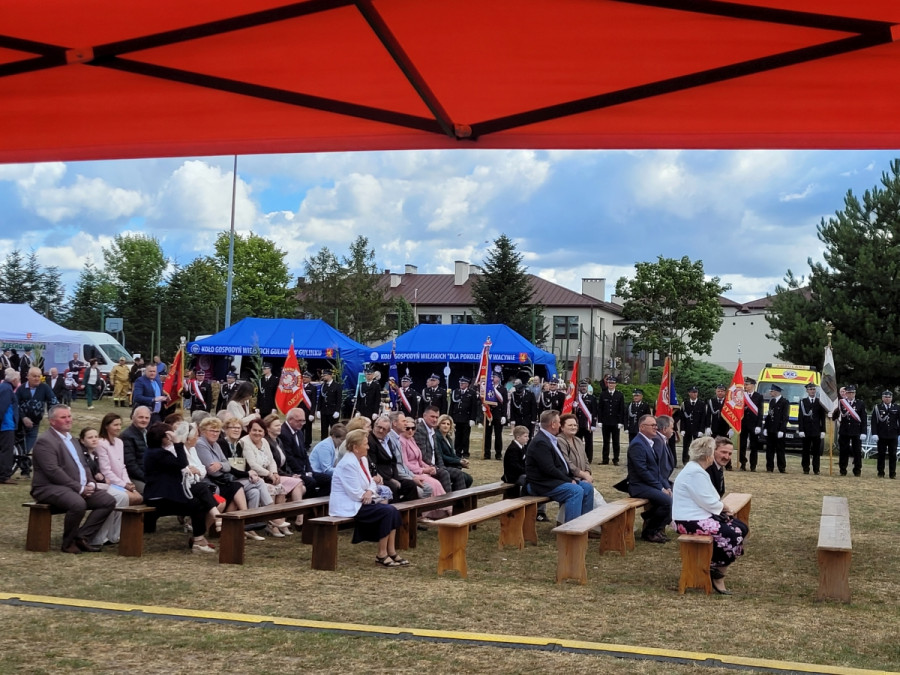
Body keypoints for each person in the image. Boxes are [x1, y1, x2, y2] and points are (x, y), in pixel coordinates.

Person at [30, 405, 116, 553]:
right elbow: (53, 471)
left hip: (74, 487)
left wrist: (90, 482)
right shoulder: (45, 441)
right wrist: (79, 488)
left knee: (107, 501)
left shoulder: (73, 440)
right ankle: (68, 543)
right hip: (48, 488)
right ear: (52, 421)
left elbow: (84, 465)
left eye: (69, 416)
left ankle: (82, 537)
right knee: (77, 503)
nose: (68, 420)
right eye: (63, 417)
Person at [673, 436, 749, 594]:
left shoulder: (697, 470)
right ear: (708, 455)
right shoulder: (695, 472)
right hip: (688, 520)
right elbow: (708, 500)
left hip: (698, 516)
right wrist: (724, 507)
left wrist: (722, 508)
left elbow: (711, 497)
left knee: (741, 527)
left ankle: (714, 566)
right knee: (732, 534)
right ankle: (717, 572)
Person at [329, 428, 409, 567]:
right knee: (387, 511)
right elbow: (355, 493)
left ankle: (391, 551)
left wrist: (369, 491)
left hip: (364, 500)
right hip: (349, 504)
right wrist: (367, 493)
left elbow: (371, 481)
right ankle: (381, 555)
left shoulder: (363, 459)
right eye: (365, 444)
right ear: (355, 447)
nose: (368, 447)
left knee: (393, 510)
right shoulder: (348, 463)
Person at [142, 422, 216, 553]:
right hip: (159, 498)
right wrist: (177, 443)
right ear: (165, 437)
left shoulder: (157, 452)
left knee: (200, 491)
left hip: (166, 494)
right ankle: (201, 538)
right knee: (198, 503)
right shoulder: (157, 453)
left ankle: (203, 534)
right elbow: (182, 463)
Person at [524, 410, 594, 523]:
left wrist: (575, 478)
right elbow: (549, 469)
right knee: (575, 491)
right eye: (559, 422)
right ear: (553, 424)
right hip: (541, 484)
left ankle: (584, 525)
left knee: (587, 487)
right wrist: (569, 480)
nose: (560, 425)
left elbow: (561, 464)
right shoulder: (540, 442)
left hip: (554, 481)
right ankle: (571, 529)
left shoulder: (551, 439)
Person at [239, 418, 298, 536]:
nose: (257, 433)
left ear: (264, 432)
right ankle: (272, 523)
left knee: (281, 488)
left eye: (260, 431)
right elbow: (252, 464)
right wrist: (269, 474)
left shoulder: (264, 441)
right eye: (254, 430)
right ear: (249, 430)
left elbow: (271, 460)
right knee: (271, 489)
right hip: (252, 477)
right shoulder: (245, 442)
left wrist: (274, 473)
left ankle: (279, 521)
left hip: (265, 476)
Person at [78, 426, 131, 546]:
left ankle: (114, 534)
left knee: (123, 497)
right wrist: (99, 479)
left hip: (99, 485)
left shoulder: (94, 454)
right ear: (82, 441)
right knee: (113, 498)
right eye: (90, 437)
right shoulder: (82, 455)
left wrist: (101, 477)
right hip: (89, 487)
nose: (94, 439)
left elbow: (98, 473)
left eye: (96, 437)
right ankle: (99, 537)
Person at [625, 415, 672, 543]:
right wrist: (661, 488)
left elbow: (656, 471)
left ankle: (652, 523)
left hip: (649, 484)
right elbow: (642, 471)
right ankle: (650, 532)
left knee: (672, 497)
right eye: (652, 425)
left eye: (656, 425)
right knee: (667, 501)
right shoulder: (637, 444)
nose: (656, 427)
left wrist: (666, 486)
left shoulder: (648, 442)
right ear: (642, 427)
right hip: (639, 486)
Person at [277, 409, 331, 497]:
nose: (302, 423)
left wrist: (309, 470)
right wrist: (303, 473)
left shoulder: (299, 432)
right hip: (293, 472)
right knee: (311, 482)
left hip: (304, 470)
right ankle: (310, 504)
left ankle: (318, 502)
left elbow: (304, 454)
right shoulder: (283, 433)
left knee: (328, 479)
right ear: (290, 420)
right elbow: (289, 458)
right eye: (299, 421)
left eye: (303, 421)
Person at [413, 405, 465, 492]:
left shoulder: (432, 430)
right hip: (426, 466)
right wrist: (435, 467)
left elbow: (437, 453)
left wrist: (441, 466)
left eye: (436, 417)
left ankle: (460, 500)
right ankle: (447, 500)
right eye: (432, 417)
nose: (434, 420)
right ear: (424, 416)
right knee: (444, 474)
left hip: (436, 465)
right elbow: (422, 455)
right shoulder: (419, 430)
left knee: (458, 473)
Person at [368, 415, 419, 502]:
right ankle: (396, 509)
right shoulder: (371, 441)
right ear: (374, 426)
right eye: (379, 427)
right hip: (382, 478)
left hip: (393, 476)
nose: (380, 430)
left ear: (388, 431)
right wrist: (391, 480)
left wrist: (395, 478)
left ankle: (411, 510)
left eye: (384, 429)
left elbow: (393, 462)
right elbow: (374, 465)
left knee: (410, 485)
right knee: (393, 487)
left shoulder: (387, 440)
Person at [95, 413, 143, 505]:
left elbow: (122, 466)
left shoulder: (119, 442)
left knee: (139, 498)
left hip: (121, 481)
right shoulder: (101, 443)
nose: (119, 428)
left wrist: (128, 482)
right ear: (106, 426)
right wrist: (124, 485)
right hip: (110, 482)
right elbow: (106, 471)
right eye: (115, 425)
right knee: (133, 498)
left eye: (120, 425)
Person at [17, 366, 58, 472]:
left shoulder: (44, 388)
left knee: (28, 446)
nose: (37, 378)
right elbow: (15, 405)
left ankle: (23, 465)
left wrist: (53, 416)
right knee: (19, 445)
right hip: (20, 423)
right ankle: (22, 465)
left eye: (39, 376)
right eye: (34, 376)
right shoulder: (21, 389)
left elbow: (53, 402)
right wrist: (23, 417)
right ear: (28, 377)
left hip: (34, 423)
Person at [832, 384, 866, 477]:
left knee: (857, 451)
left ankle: (857, 470)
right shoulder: (841, 403)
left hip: (856, 430)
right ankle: (843, 469)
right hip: (844, 430)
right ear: (846, 394)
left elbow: (863, 418)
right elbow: (835, 416)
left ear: (855, 393)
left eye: (852, 393)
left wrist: (863, 432)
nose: (851, 394)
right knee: (844, 451)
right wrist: (833, 412)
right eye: (849, 393)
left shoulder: (860, 403)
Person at [435, 414, 473, 488]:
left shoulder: (448, 438)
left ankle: (455, 493)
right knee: (462, 476)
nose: (446, 426)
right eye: (443, 423)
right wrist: (458, 462)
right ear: (439, 424)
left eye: (448, 424)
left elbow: (452, 455)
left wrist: (461, 460)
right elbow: (441, 456)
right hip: (441, 466)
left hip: (450, 465)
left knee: (468, 479)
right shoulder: (437, 437)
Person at [120, 406, 151, 493]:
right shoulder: (127, 436)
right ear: (133, 418)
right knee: (151, 491)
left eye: (147, 418)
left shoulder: (147, 433)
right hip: (134, 477)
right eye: (140, 417)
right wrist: (147, 478)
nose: (144, 420)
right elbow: (131, 465)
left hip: (148, 474)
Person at [798, 382, 826, 475]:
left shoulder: (819, 402)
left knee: (816, 451)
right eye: (810, 389)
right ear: (807, 391)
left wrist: (823, 430)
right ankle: (805, 468)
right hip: (806, 430)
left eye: (814, 389)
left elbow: (822, 417)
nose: (812, 391)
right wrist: (801, 430)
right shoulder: (803, 402)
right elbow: (800, 417)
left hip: (816, 430)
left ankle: (816, 469)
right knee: (805, 450)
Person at [871, 390, 899, 479]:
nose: (887, 399)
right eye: (886, 397)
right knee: (881, 454)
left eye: (889, 397)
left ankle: (892, 473)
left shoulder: (897, 407)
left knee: (893, 455)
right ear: (882, 398)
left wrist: (898, 433)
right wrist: (874, 433)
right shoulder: (877, 407)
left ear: (892, 398)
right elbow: (874, 422)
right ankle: (880, 472)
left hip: (893, 435)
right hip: (881, 435)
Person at [598, 375, 626, 465]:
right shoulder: (603, 394)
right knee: (605, 442)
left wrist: (621, 421)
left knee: (616, 442)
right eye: (609, 383)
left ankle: (616, 459)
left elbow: (621, 409)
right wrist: (600, 420)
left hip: (615, 422)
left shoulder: (619, 395)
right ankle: (605, 459)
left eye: (613, 383)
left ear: (615, 384)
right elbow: (600, 408)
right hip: (605, 421)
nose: (611, 385)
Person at [763, 384, 789, 473]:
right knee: (769, 449)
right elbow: (769, 415)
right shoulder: (772, 401)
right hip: (771, 429)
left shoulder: (784, 402)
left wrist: (782, 430)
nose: (770, 393)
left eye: (772, 391)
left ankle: (781, 467)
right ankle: (769, 467)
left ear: (777, 392)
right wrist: (765, 427)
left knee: (780, 449)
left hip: (778, 429)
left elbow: (785, 417)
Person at [449, 376, 478, 458]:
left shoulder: (472, 393)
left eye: (463, 383)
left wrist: (472, 418)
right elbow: (452, 406)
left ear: (467, 384)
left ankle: (465, 452)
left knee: (465, 436)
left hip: (466, 418)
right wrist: (450, 417)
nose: (461, 384)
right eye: (460, 383)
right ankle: (457, 452)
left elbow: (474, 407)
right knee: (457, 436)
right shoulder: (455, 392)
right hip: (456, 417)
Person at [0, 369, 20, 485]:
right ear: (14, 380)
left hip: (5, 425)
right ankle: (4, 476)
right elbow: (2, 408)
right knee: (7, 451)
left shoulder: (4, 387)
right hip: (6, 425)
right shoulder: (7, 389)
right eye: (18, 380)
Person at [739, 378, 764, 472]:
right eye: (745, 384)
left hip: (754, 424)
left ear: (753, 385)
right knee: (742, 445)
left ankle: (753, 465)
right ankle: (743, 463)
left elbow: (760, 411)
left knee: (754, 446)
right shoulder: (741, 395)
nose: (745, 386)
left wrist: (759, 425)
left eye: (747, 384)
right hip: (743, 423)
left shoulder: (759, 396)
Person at [482, 372, 507, 460]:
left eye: (495, 377)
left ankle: (498, 454)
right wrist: (483, 406)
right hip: (488, 413)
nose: (493, 378)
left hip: (498, 414)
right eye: (492, 377)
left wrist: (504, 415)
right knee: (487, 435)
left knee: (498, 435)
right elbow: (483, 399)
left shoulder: (503, 389)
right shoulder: (487, 388)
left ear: (499, 379)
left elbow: (504, 403)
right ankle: (487, 453)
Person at [573, 379, 598, 464]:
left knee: (589, 443)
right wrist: (574, 407)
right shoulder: (576, 398)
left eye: (585, 386)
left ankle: (588, 459)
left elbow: (594, 412)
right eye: (582, 386)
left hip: (587, 424)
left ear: (587, 387)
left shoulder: (592, 398)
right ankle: (578, 458)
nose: (583, 388)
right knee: (577, 442)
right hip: (578, 424)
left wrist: (593, 424)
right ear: (579, 387)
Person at [502, 425, 530, 496]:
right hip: (512, 477)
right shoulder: (513, 449)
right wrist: (527, 471)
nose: (528, 438)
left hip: (519, 474)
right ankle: (524, 498)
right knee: (529, 480)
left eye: (528, 436)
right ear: (518, 437)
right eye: (525, 436)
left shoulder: (521, 447)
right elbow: (515, 466)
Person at [318, 368, 342, 439]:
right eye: (323, 375)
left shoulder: (337, 386)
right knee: (324, 430)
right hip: (324, 411)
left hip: (333, 411)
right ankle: (323, 443)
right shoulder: (323, 385)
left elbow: (339, 400)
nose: (323, 377)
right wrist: (318, 410)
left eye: (325, 375)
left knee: (334, 430)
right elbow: (320, 399)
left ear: (330, 375)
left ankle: (335, 443)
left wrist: (337, 411)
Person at [298, 370, 317, 447]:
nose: (304, 379)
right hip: (300, 411)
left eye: (306, 377)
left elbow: (314, 402)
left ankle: (307, 443)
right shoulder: (299, 387)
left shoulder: (313, 388)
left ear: (310, 378)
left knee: (308, 428)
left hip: (308, 411)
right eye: (303, 377)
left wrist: (312, 413)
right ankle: (300, 442)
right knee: (300, 428)